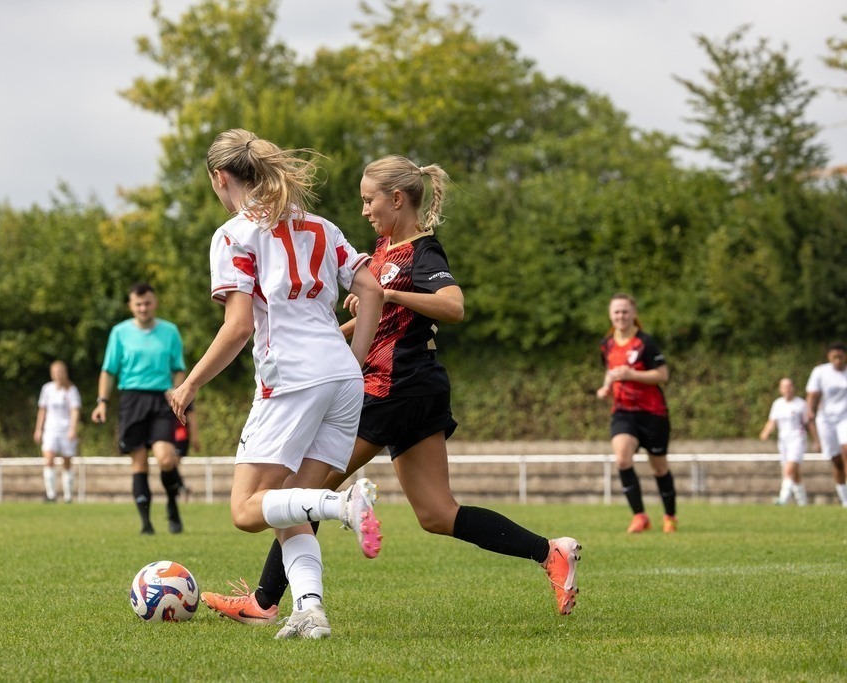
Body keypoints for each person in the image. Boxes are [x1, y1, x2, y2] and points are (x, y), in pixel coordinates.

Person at [198, 154, 582, 628]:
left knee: (304, 490)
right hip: (415, 389)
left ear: (396, 199)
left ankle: (265, 602)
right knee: (438, 514)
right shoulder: (382, 250)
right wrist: (336, 336)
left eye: (369, 200)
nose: (364, 210)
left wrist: (393, 293)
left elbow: (453, 305)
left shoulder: (422, 251)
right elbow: (378, 317)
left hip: (392, 386)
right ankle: (550, 552)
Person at [168, 128, 386, 640]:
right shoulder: (322, 227)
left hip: (291, 378)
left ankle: (344, 505)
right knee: (291, 502)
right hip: (340, 377)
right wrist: (351, 361)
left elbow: (239, 326)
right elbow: (373, 288)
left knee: (246, 510)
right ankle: (310, 611)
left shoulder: (234, 234)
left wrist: (189, 385)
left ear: (220, 178)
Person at [91, 282, 188, 535]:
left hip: (161, 400)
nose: (143, 308)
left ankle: (172, 504)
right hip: (131, 399)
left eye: (147, 303)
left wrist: (177, 391)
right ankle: (146, 524)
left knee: (166, 459)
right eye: (138, 304)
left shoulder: (170, 331)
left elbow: (179, 368)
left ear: (154, 303)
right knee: (139, 462)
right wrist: (102, 402)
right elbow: (108, 370)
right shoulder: (120, 333)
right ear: (131, 306)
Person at [596, 293, 677, 533]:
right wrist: (606, 388)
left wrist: (632, 375)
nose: (620, 316)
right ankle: (640, 516)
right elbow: (611, 371)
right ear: (611, 315)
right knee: (622, 458)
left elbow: (663, 375)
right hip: (623, 412)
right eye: (616, 312)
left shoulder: (645, 343)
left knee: (659, 467)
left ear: (634, 314)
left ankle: (670, 516)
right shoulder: (607, 344)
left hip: (652, 413)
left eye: (625, 311)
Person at [804, 342, 847, 507]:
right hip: (827, 419)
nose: (837, 360)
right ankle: (844, 499)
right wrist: (809, 410)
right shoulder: (820, 372)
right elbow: (813, 394)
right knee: (836, 460)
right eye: (834, 357)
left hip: (845, 418)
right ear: (829, 357)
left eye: (840, 357)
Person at [33, 360, 82, 503]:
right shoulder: (47, 389)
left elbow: (75, 411)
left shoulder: (71, 390)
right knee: (48, 460)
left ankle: (68, 496)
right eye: (55, 372)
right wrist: (38, 429)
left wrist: (73, 429)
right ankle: (51, 495)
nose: (58, 375)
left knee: (67, 462)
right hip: (51, 430)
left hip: (66, 429)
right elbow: (42, 410)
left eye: (60, 371)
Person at [759, 377, 811, 505]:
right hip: (783, 441)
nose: (787, 389)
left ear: (793, 387)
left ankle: (783, 499)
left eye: (790, 386)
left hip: (798, 439)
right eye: (784, 386)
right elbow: (772, 421)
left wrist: (817, 440)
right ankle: (803, 502)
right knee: (794, 472)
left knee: (789, 470)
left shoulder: (801, 404)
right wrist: (766, 432)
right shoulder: (778, 404)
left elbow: (809, 423)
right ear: (780, 389)